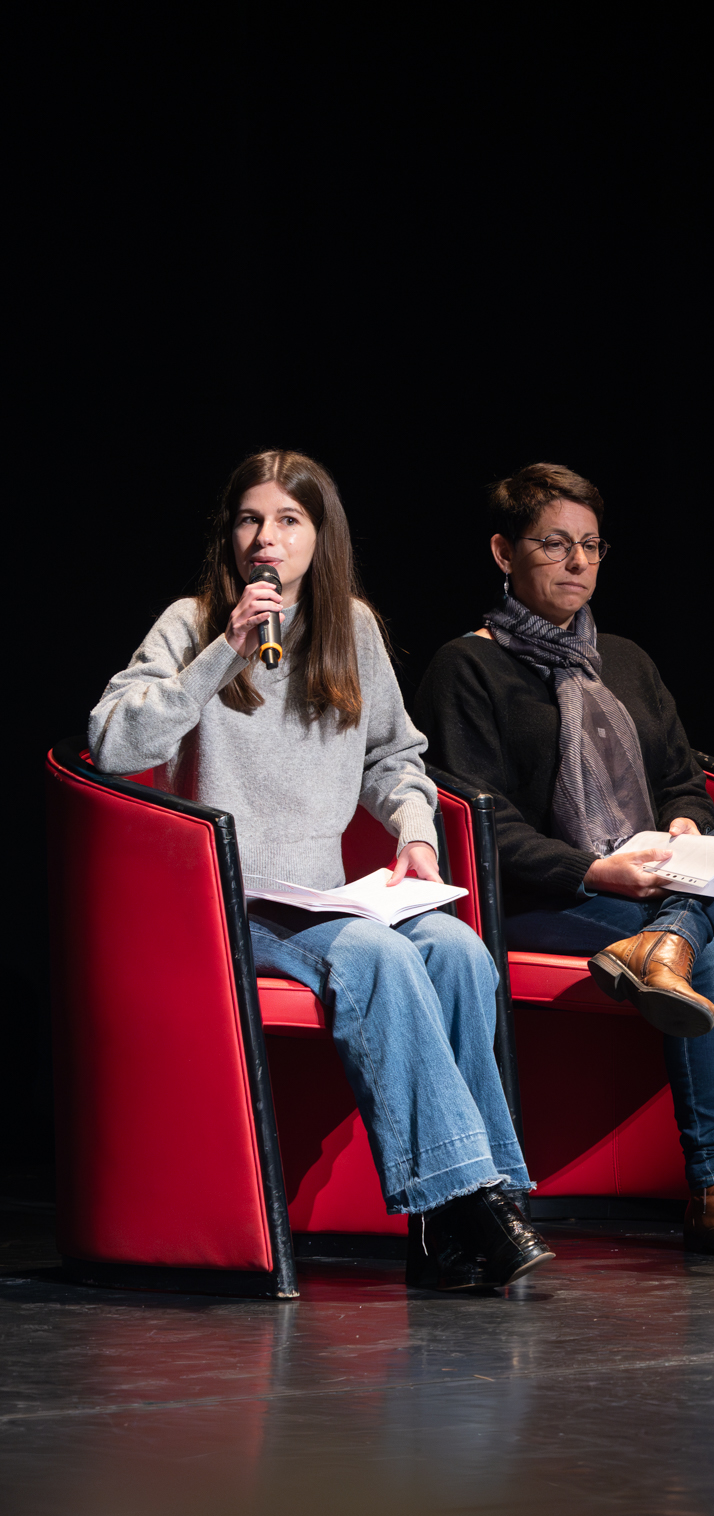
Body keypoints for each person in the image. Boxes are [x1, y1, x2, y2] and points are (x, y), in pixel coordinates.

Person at [89, 450, 552, 1292]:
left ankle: (456, 1224)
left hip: (325, 893)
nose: (266, 539)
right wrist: (217, 660)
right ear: (230, 538)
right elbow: (114, 744)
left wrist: (414, 830)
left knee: (458, 951)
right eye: (249, 520)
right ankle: (475, 1205)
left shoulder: (353, 627)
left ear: (318, 535)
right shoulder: (194, 624)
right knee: (373, 958)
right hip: (235, 904)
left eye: (288, 521)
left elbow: (395, 757)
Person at [412, 463, 714, 1259]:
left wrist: (679, 828)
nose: (577, 563)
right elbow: (476, 822)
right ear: (503, 552)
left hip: (654, 880)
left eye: (591, 546)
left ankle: (665, 937)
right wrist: (598, 871)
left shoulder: (624, 659)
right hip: (546, 894)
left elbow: (684, 783)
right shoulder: (467, 667)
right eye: (555, 545)